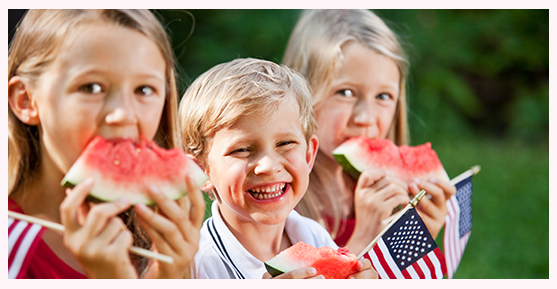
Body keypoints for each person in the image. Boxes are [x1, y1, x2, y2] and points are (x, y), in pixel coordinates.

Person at [8, 9, 205, 279]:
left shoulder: (163, 250)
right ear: (26, 100)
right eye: (91, 87)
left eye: (144, 90)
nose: (123, 113)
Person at [179, 57, 377, 279]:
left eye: (284, 144)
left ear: (308, 155)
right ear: (200, 171)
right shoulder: (197, 266)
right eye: (242, 149)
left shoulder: (314, 235)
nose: (269, 166)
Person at [282, 9, 456, 257]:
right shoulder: (281, 201)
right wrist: (364, 237)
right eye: (346, 92)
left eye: (383, 96)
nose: (365, 118)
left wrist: (417, 235)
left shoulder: (395, 193)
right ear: (303, 91)